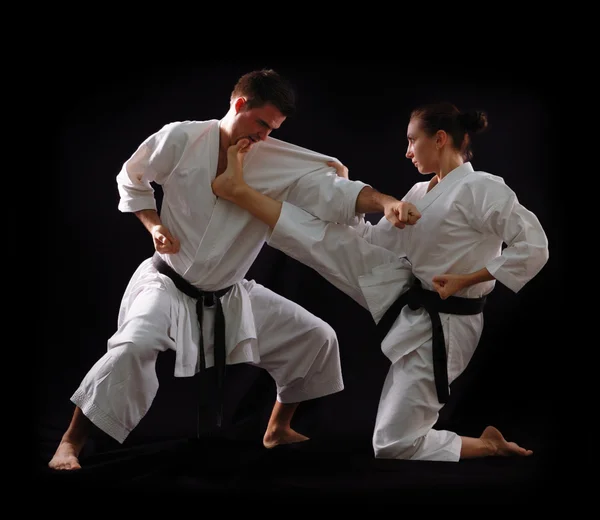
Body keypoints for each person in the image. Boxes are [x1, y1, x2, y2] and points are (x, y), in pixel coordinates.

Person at [48, 68, 413, 471]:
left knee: (317, 338)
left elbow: (336, 192)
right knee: (133, 346)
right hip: (168, 284)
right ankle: (70, 442)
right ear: (239, 105)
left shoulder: (274, 161)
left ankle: (277, 429)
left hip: (229, 293)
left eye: (272, 129)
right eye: (261, 123)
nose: (263, 136)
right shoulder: (181, 138)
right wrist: (154, 226)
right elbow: (132, 179)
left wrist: (384, 202)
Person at [211, 101, 549, 462]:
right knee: (331, 237)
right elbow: (373, 240)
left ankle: (488, 444)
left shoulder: (482, 188)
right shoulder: (421, 193)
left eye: (411, 141)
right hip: (406, 292)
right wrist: (343, 189)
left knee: (393, 444)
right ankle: (242, 191)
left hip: (450, 323)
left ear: (438, 139)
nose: (406, 152)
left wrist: (467, 278)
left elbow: (534, 246)